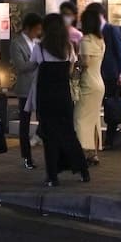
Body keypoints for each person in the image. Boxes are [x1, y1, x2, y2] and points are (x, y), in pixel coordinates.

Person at [33, 13, 89, 187]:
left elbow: (34, 65)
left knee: (49, 137)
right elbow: (71, 72)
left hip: (46, 97)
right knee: (68, 134)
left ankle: (52, 176)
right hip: (63, 96)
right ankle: (83, 170)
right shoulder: (69, 47)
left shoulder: (39, 48)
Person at [91, 2, 121, 150]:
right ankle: (98, 140)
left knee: (112, 105)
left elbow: (120, 51)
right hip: (95, 74)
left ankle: (110, 140)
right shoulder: (92, 33)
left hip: (111, 74)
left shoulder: (112, 29)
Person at [75, 4, 108, 164]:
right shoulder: (100, 39)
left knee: (80, 118)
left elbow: (85, 63)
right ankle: (93, 152)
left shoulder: (85, 40)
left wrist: (75, 65)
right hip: (99, 82)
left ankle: (82, 151)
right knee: (94, 119)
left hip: (88, 83)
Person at [10, 13, 43, 170]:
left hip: (39, 85)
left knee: (43, 118)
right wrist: (36, 61)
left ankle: (38, 137)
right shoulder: (17, 43)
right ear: (28, 28)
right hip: (25, 88)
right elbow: (21, 66)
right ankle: (27, 156)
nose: (38, 32)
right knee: (24, 122)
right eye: (36, 29)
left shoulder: (38, 42)